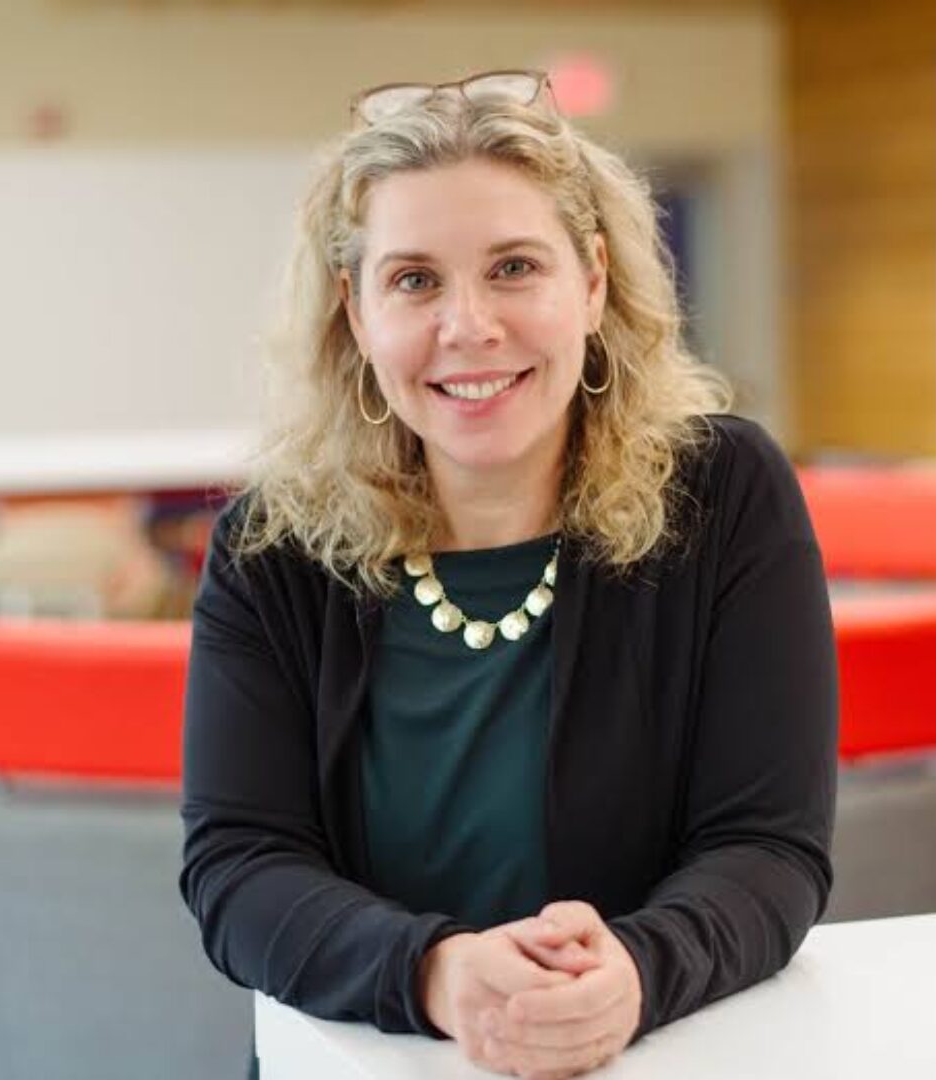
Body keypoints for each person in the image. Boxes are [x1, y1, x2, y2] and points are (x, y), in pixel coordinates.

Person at [179, 69, 838, 1080]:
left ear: (594, 284)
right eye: (414, 280)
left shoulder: (723, 493)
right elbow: (239, 866)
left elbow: (769, 848)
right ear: (357, 316)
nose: (469, 326)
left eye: (514, 267)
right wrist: (437, 972)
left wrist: (636, 971)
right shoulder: (275, 545)